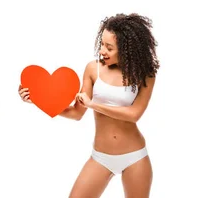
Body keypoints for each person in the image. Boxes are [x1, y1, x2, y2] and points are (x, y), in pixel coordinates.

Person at [18, 13, 159, 198]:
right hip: (101, 157)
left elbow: (134, 114)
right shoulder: (93, 69)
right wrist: (37, 100)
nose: (102, 51)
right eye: (101, 44)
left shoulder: (145, 74)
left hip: (135, 156)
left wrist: (94, 104)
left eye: (109, 47)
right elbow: (77, 113)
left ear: (126, 50)